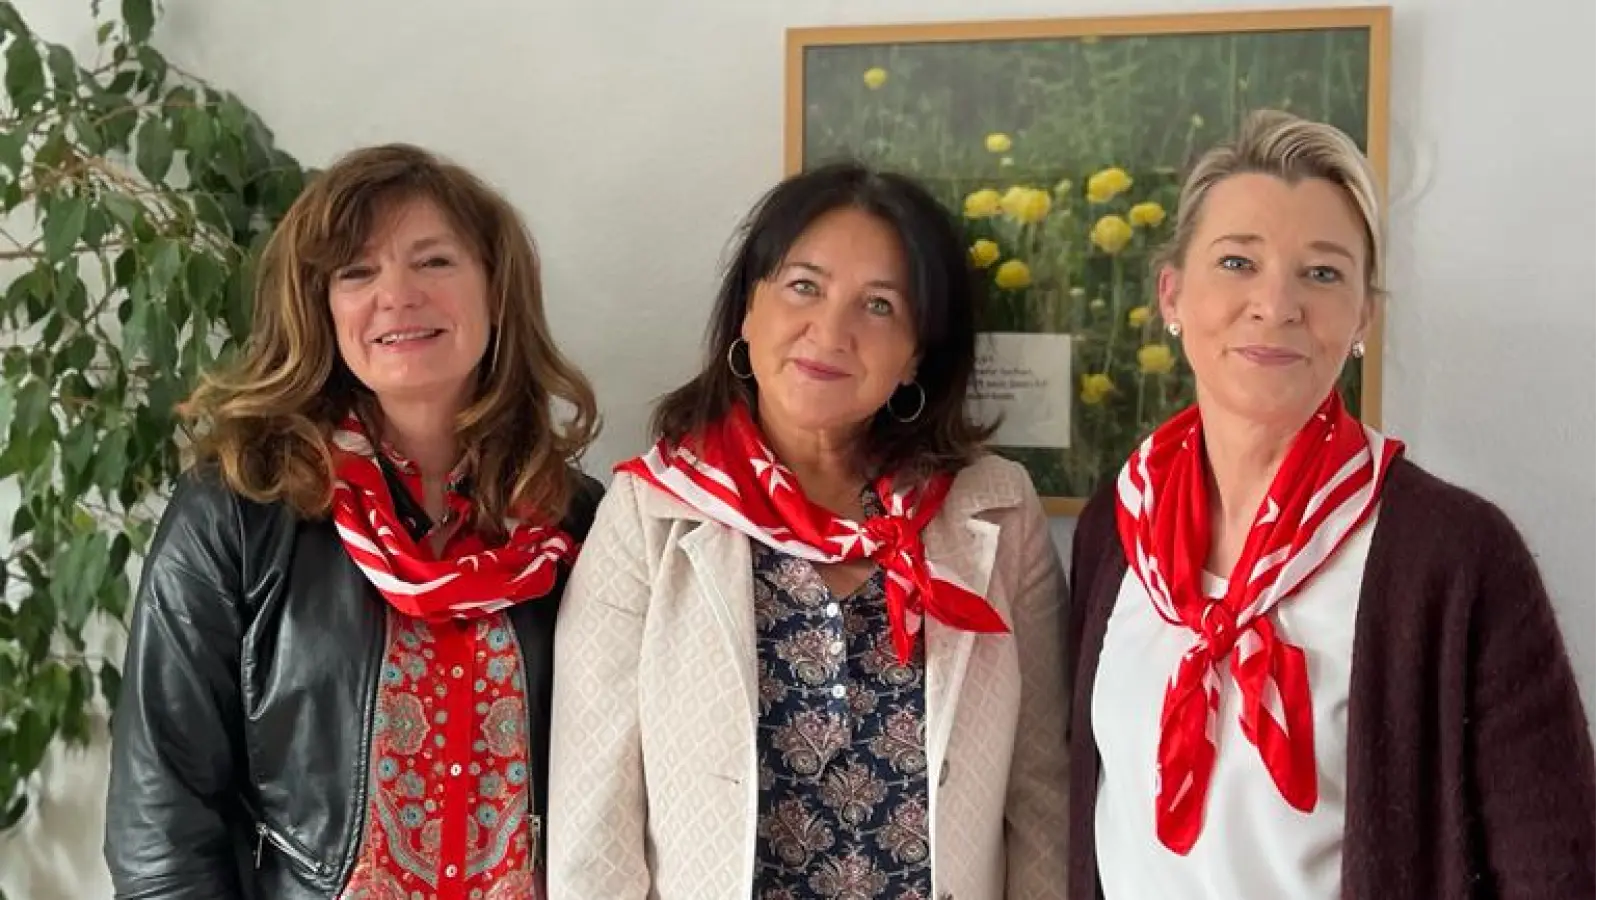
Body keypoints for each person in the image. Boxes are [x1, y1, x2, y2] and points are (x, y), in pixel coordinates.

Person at [1065, 109, 1597, 899]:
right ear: (1172, 293)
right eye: (1238, 261)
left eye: (1321, 273)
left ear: (1363, 316)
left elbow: (1556, 870)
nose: (1276, 304)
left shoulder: (1454, 555)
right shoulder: (1117, 523)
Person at [545, 161, 1070, 899]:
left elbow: (1043, 790)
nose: (831, 330)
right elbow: (592, 818)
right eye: (804, 286)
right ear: (748, 313)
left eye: (880, 306)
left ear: (919, 351)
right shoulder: (650, 512)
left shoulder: (994, 509)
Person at [103, 143, 603, 900]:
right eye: (357, 273)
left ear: (495, 293)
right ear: (322, 310)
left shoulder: (578, 523)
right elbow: (161, 813)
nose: (397, 296)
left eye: (434, 262)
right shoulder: (235, 511)